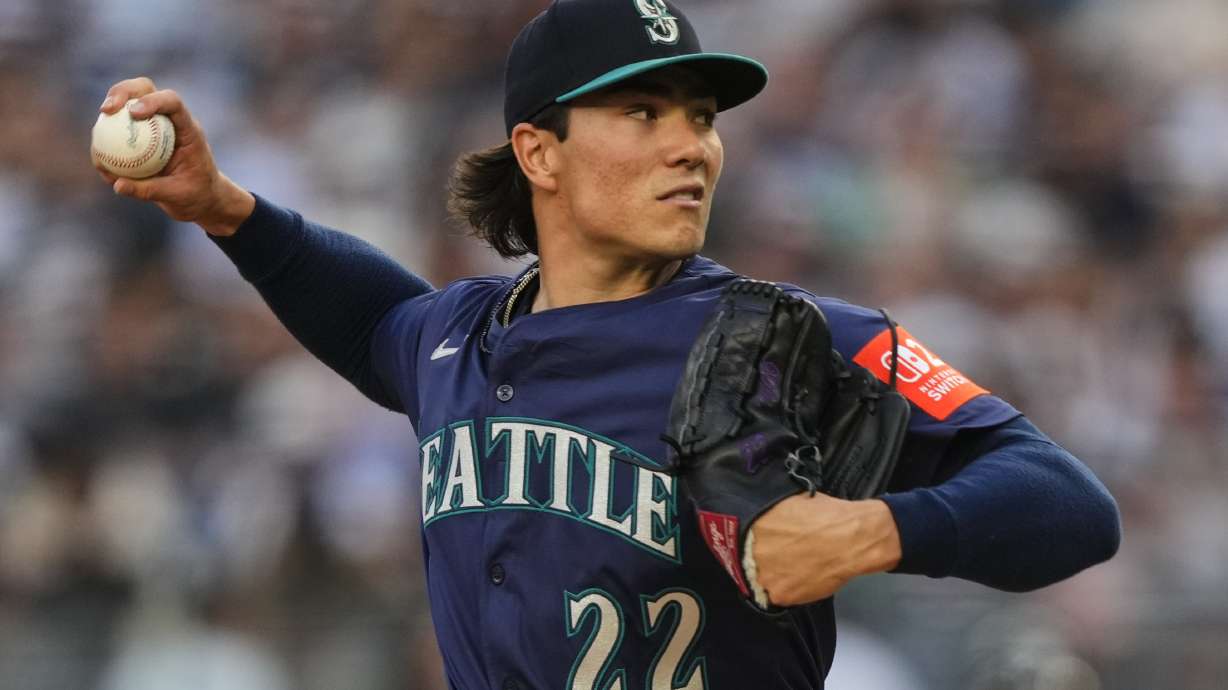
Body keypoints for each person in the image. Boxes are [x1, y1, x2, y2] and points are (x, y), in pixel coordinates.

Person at [95, 1, 1121, 688]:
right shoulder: (457, 340)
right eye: (642, 111)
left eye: (701, 116)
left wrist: (877, 531)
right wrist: (224, 208)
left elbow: (1069, 502)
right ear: (538, 152)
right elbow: (371, 317)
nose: (692, 146)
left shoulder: (786, 340)